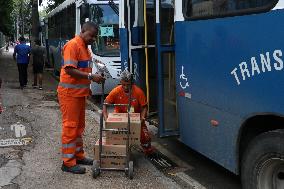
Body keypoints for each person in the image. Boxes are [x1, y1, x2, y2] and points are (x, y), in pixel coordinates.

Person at [57, 21, 105, 174]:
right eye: (91, 35)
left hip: (78, 95)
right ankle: (68, 163)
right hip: (69, 95)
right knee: (70, 127)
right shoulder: (73, 45)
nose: (93, 39)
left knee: (78, 127)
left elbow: (82, 70)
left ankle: (78, 156)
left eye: (95, 37)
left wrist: (87, 88)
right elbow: (70, 70)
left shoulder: (85, 48)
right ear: (83, 31)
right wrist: (91, 77)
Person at [103, 69, 155, 155]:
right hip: (120, 120)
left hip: (135, 119)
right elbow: (105, 104)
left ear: (132, 83)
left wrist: (142, 118)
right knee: (116, 139)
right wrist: (106, 119)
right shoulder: (116, 91)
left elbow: (144, 107)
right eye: (123, 85)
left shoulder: (138, 92)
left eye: (128, 85)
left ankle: (147, 150)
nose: (126, 87)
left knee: (145, 138)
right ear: (120, 82)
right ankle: (122, 152)